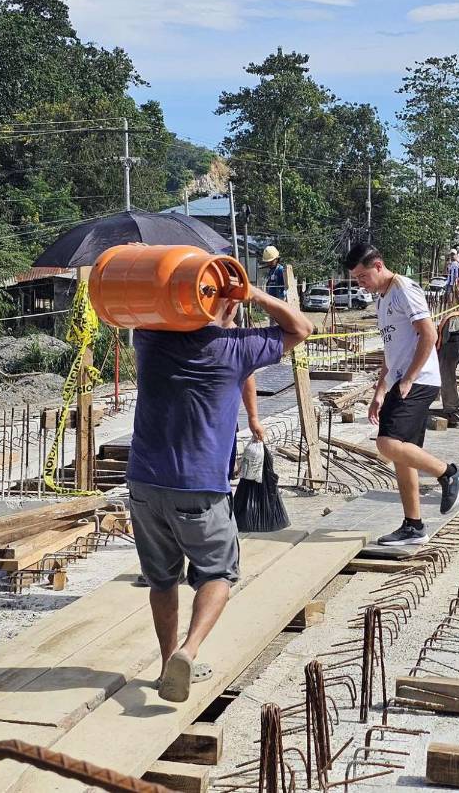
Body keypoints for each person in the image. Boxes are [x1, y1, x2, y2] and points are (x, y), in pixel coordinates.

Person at [127, 281, 314, 702]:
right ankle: (189, 653)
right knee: (217, 574)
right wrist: (256, 295)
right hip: (199, 487)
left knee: (162, 579)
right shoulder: (235, 350)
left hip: (143, 482)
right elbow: (301, 328)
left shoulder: (150, 340)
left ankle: (165, 665)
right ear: (229, 308)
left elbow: (138, 309)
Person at [344, 243, 459, 546]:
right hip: (400, 380)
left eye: (363, 276)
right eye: (356, 279)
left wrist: (410, 378)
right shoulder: (382, 299)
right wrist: (380, 389)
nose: (361, 283)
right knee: (403, 456)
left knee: (387, 444)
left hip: (418, 380)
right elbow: (392, 350)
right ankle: (414, 525)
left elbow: (429, 334)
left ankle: (450, 473)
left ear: (378, 266)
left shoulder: (403, 288)